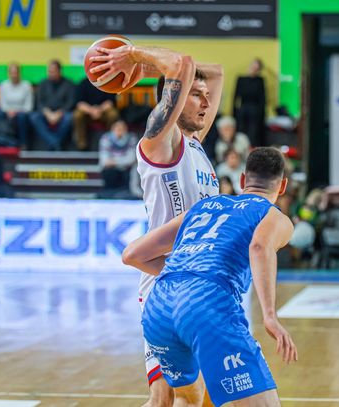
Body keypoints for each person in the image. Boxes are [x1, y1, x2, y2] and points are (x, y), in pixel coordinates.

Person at [89, 44, 223, 407]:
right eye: (195, 95)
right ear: (173, 100)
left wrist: (144, 69)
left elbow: (215, 72)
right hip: (168, 285)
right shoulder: (160, 141)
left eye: (206, 96)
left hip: (196, 283)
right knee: (186, 397)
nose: (206, 102)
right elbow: (183, 64)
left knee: (174, 398)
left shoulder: (195, 144)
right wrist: (133, 55)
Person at [122, 147, 297, 407]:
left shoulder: (203, 207)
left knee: (188, 399)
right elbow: (260, 247)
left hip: (158, 308)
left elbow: (132, 255)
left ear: (242, 180)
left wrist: (188, 272)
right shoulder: (273, 216)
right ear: (282, 186)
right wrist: (270, 316)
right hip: (206, 304)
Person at [30, 60, 75, 150]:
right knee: (34, 117)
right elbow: (39, 102)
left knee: (69, 118)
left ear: (59, 71)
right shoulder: (43, 83)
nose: (50, 74)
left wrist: (59, 113)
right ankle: (55, 143)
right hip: (46, 112)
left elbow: (71, 102)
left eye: (53, 71)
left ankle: (53, 144)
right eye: (49, 71)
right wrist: (47, 113)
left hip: (62, 113)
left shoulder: (68, 84)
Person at [73, 77, 119, 151]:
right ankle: (81, 143)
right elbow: (79, 103)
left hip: (103, 111)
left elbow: (111, 102)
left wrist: (99, 110)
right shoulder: (83, 83)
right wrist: (91, 110)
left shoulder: (107, 82)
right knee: (77, 115)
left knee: (113, 114)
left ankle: (109, 140)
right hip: (87, 113)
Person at [0, 63, 33, 149]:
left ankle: (23, 144)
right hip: (7, 111)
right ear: (8, 74)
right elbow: (2, 104)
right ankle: (2, 142)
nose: (14, 75)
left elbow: (28, 106)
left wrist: (16, 111)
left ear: (19, 73)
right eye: (11, 73)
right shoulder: (3, 85)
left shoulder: (26, 85)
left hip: (22, 112)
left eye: (15, 72)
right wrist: (9, 111)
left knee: (21, 117)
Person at [98, 119, 137, 196]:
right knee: (109, 172)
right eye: (117, 128)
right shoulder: (106, 138)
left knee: (133, 168)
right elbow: (105, 161)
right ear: (112, 129)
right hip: (111, 171)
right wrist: (123, 161)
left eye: (122, 128)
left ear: (126, 129)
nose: (120, 130)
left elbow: (131, 159)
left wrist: (114, 161)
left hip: (127, 171)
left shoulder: (131, 138)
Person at [233, 58, 266, 146]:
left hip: (255, 111)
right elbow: (235, 96)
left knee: (253, 132)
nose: (253, 69)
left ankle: (251, 147)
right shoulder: (241, 79)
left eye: (256, 68)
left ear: (258, 70)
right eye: (253, 66)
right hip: (242, 109)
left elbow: (262, 99)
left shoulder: (260, 81)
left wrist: (262, 115)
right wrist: (234, 112)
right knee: (241, 131)